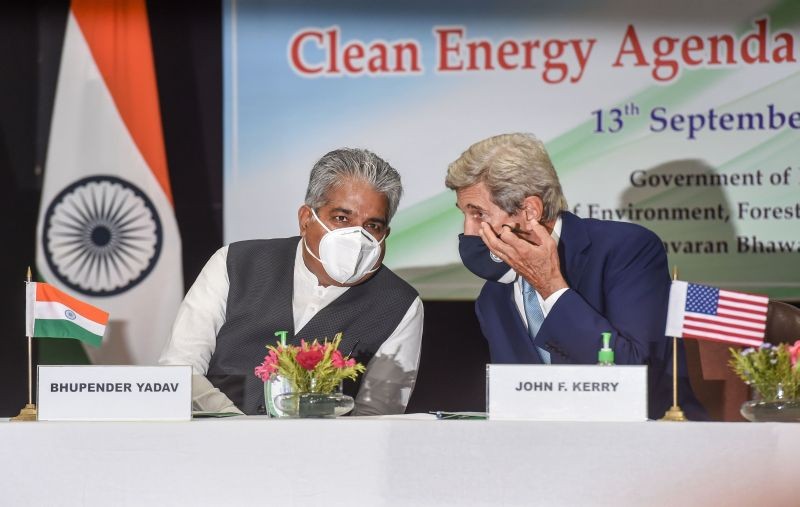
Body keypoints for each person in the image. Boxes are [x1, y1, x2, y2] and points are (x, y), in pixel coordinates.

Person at [445, 133, 705, 419]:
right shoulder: (493, 297)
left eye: (478, 214)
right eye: (465, 215)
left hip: (642, 445)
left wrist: (551, 287)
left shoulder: (626, 250)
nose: (469, 231)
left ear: (530, 210)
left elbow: (633, 373)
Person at [160, 148, 423, 416]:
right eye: (341, 218)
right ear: (306, 219)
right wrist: (234, 425)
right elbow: (180, 369)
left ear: (385, 234)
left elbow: (378, 414)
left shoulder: (400, 304)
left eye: (372, 226)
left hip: (325, 453)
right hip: (211, 444)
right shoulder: (235, 263)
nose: (356, 236)